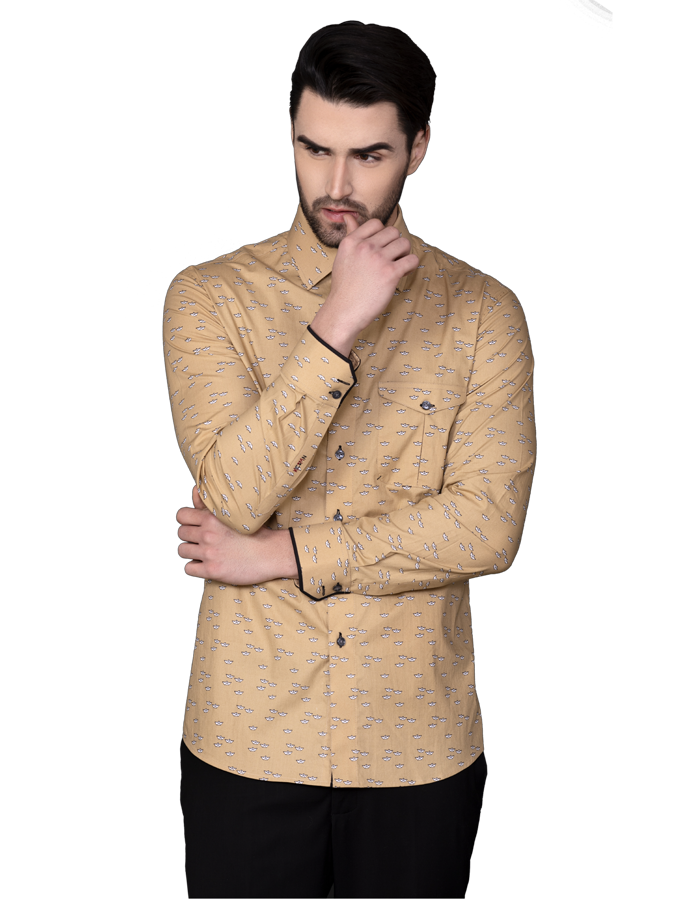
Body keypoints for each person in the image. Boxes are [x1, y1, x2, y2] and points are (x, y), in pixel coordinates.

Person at [164, 21, 535, 900]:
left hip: (417, 746)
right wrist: (337, 322)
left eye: (368, 155)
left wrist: (281, 554)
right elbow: (231, 495)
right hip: (246, 739)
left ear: (417, 148)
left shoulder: (484, 314)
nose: (336, 188)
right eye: (313, 149)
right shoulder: (209, 298)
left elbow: (486, 529)